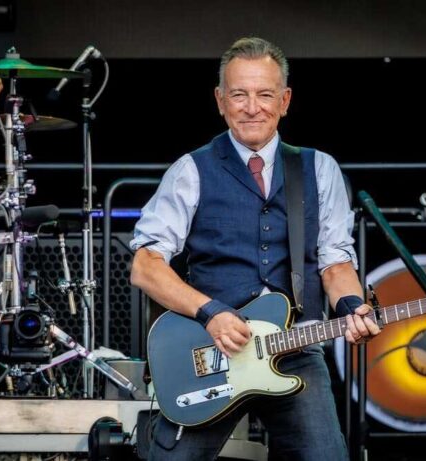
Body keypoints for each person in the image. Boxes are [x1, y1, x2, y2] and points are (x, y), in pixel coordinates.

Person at [130, 36, 380, 460]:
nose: (252, 107)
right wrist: (210, 313)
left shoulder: (318, 169)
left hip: (295, 350)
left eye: (265, 95)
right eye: (239, 95)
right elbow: (145, 266)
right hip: (210, 351)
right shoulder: (191, 169)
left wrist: (351, 306)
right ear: (219, 100)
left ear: (284, 100)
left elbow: (335, 261)